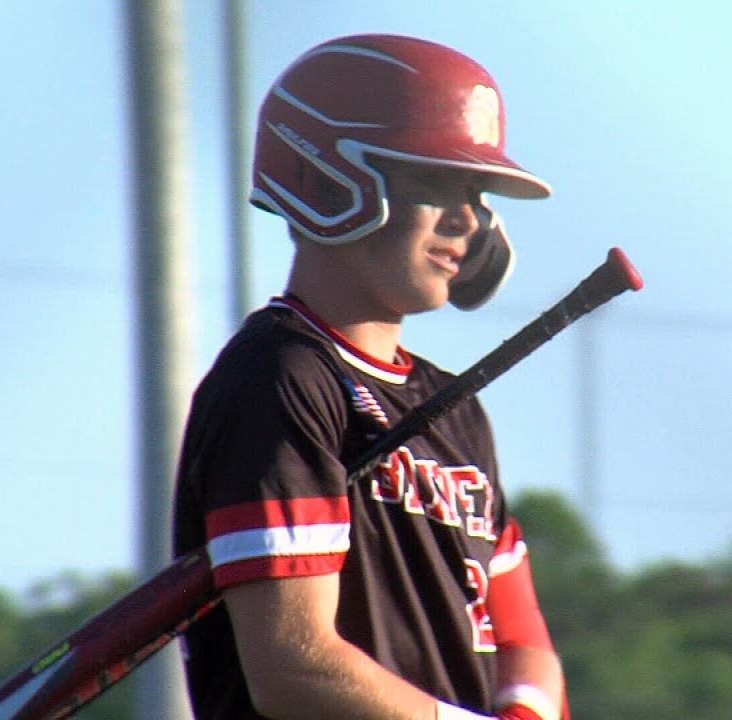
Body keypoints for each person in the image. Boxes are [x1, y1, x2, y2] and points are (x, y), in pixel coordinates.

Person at [172, 33, 566, 720]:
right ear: (330, 181)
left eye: (475, 193)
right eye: (434, 183)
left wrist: (522, 712)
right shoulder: (282, 378)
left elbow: (523, 641)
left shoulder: (456, 409)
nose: (469, 219)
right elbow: (293, 665)